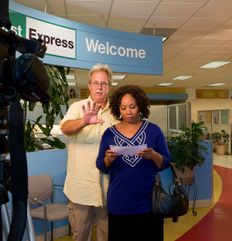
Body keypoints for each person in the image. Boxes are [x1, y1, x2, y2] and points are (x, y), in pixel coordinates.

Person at [96, 85, 171, 241]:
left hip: (149, 203)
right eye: (123, 108)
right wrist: (107, 159)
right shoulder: (109, 134)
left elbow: (166, 162)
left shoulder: (153, 130)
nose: (128, 112)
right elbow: (101, 165)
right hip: (119, 203)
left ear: (141, 106)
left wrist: (154, 155)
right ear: (118, 108)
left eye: (132, 107)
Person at [60, 63, 118, 241]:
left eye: (104, 83)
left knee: (106, 235)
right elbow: (65, 128)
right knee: (81, 236)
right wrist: (84, 121)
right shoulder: (78, 108)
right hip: (81, 189)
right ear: (89, 85)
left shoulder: (117, 113)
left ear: (109, 86)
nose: (100, 87)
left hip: (109, 189)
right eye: (96, 83)